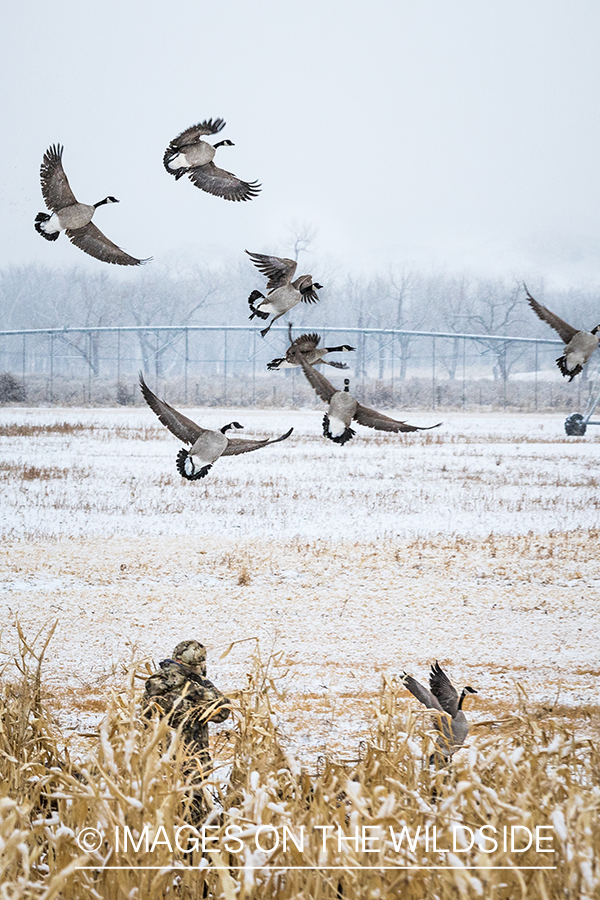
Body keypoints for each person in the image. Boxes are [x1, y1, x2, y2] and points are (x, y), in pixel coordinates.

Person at [142, 639, 231, 769]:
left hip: (156, 765)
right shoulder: (192, 688)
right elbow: (223, 710)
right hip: (190, 764)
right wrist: (203, 682)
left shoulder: (154, 684)